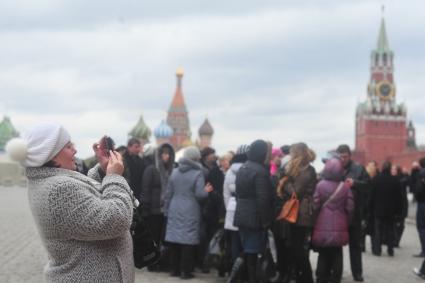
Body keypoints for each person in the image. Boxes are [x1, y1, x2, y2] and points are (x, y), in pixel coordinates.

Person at [6, 123, 135, 282]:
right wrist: (114, 177)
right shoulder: (58, 189)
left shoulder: (51, 182)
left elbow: (84, 203)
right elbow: (116, 220)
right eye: (68, 146)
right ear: (50, 154)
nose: (75, 149)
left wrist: (103, 170)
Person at [164, 146, 212, 279]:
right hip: (190, 208)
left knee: (174, 239)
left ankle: (174, 270)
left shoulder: (174, 171)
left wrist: (167, 210)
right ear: (196, 158)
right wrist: (206, 191)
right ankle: (186, 272)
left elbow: (168, 193)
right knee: (188, 240)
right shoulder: (198, 173)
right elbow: (200, 194)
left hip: (175, 206)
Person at [234, 139, 274, 283]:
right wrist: (266, 221)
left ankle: (242, 278)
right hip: (255, 216)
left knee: (246, 249)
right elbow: (263, 199)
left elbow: (238, 193)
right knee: (253, 252)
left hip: (241, 213)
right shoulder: (260, 171)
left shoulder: (243, 168)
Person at [277, 142, 317, 283]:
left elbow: (295, 192)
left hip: (301, 213)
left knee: (298, 249)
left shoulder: (306, 171)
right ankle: (301, 277)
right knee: (296, 248)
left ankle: (306, 278)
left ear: (298, 153)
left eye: (293, 153)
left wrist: (285, 182)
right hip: (299, 212)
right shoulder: (303, 169)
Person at [312, 158, 354, 283]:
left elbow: (315, 206)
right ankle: (336, 279)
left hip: (322, 225)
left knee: (323, 254)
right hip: (340, 225)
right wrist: (347, 222)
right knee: (337, 254)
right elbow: (350, 208)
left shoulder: (319, 186)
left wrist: (314, 221)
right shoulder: (345, 188)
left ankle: (321, 278)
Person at [336, 144, 369, 282]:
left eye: (345, 156)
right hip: (338, 214)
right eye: (340, 157)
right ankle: (336, 272)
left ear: (350, 156)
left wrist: (355, 183)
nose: (343, 159)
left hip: (354, 214)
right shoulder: (334, 168)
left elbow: (368, 185)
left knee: (355, 246)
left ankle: (357, 273)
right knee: (336, 246)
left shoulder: (358, 168)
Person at [140, 143, 175, 271]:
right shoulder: (151, 169)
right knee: (153, 237)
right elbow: (146, 189)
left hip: (165, 210)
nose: (166, 156)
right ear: (159, 156)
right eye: (164, 154)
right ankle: (152, 263)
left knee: (162, 238)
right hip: (153, 210)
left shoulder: (170, 170)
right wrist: (145, 208)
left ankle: (161, 261)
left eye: (168, 154)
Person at [223, 145, 250, 283]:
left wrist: (229, 207)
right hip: (247, 209)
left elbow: (226, 193)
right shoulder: (249, 169)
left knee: (234, 243)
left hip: (232, 208)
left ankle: (234, 273)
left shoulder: (229, 172)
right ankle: (245, 273)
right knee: (247, 243)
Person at [199, 147, 225, 273]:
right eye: (211, 154)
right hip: (208, 209)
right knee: (208, 236)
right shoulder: (208, 170)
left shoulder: (214, 169)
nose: (214, 156)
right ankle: (206, 262)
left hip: (212, 209)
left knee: (212, 236)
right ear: (206, 156)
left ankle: (209, 262)